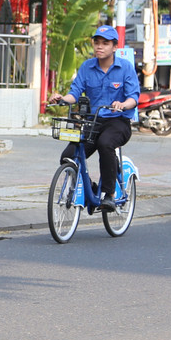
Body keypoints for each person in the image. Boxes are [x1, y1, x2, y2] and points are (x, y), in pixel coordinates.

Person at [47, 24, 139, 213]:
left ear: (115, 47)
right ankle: (92, 189)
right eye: (97, 42)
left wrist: (123, 104)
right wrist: (62, 99)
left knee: (106, 144)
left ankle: (109, 194)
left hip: (118, 122)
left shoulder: (125, 68)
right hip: (93, 122)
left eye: (105, 43)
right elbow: (74, 93)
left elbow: (133, 98)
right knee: (68, 156)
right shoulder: (87, 67)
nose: (100, 46)